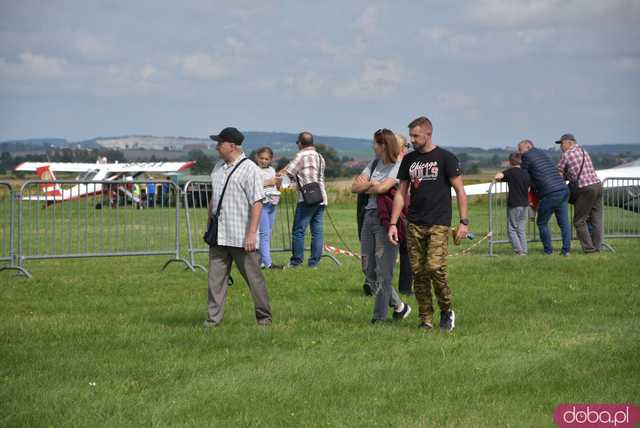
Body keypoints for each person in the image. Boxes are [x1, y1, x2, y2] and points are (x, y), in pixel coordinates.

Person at [388, 116, 468, 331]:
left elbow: (460, 191)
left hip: (438, 223)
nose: (412, 140)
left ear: (428, 134)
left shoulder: (445, 158)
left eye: (416, 135)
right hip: (414, 223)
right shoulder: (409, 160)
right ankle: (426, 318)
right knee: (419, 272)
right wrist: (393, 223)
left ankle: (446, 310)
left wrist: (463, 222)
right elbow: (400, 193)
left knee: (435, 268)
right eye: (411, 135)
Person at [204, 127, 272, 327]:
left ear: (231, 146)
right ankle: (212, 320)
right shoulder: (217, 167)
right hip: (219, 235)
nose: (217, 146)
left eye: (220, 143)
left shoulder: (249, 169)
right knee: (215, 281)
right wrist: (209, 225)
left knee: (254, 280)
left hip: (241, 236)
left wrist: (252, 234)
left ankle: (264, 318)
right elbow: (214, 199)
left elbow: (257, 202)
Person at [351, 128, 411, 323]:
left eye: (375, 143)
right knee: (368, 269)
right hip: (369, 217)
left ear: (384, 145)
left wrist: (370, 184)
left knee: (383, 271)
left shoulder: (400, 164)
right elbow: (354, 187)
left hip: (386, 219)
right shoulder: (374, 162)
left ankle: (379, 317)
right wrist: (373, 185)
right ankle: (400, 307)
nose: (373, 146)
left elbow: (385, 187)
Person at [277, 132, 327, 268]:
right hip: (321, 197)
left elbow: (288, 172)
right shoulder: (320, 157)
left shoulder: (301, 156)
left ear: (300, 143)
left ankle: (296, 261)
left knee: (299, 230)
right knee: (317, 232)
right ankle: (314, 263)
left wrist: (274, 176)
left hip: (307, 198)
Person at [518, 139, 571, 256]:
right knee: (564, 223)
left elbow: (523, 175)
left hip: (549, 193)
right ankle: (566, 250)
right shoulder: (542, 153)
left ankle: (548, 250)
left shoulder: (527, 156)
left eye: (520, 150)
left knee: (542, 223)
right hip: (563, 189)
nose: (520, 153)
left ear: (528, 146)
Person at [556, 133, 603, 253]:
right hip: (597, 185)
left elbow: (559, 172)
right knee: (596, 219)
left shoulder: (566, 155)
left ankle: (589, 249)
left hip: (585, 188)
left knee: (579, 220)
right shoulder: (583, 151)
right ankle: (597, 247)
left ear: (569, 143)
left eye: (561, 144)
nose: (560, 147)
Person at [494, 152, 531, 255]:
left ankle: (519, 251)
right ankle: (524, 250)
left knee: (511, 229)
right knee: (521, 229)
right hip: (525, 204)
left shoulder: (510, 172)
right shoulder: (526, 173)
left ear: (510, 162)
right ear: (521, 161)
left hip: (514, 204)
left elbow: (499, 176)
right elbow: (528, 188)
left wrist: (497, 177)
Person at [255, 147, 283, 269]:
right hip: (262, 204)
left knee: (268, 232)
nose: (264, 161)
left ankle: (261, 261)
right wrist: (268, 182)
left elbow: (276, 186)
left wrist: (278, 182)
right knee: (264, 234)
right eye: (261, 158)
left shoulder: (272, 170)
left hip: (273, 203)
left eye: (267, 159)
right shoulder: (254, 170)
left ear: (271, 160)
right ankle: (268, 263)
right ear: (257, 157)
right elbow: (253, 185)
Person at [394, 133, 413, 295]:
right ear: (402, 148)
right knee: (406, 252)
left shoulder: (382, 164)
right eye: (407, 146)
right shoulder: (403, 165)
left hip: (389, 213)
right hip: (402, 213)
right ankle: (405, 287)